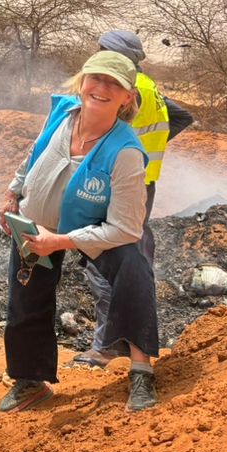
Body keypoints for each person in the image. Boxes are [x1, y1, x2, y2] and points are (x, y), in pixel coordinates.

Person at [0, 51, 160, 413]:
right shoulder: (62, 115)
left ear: (127, 98)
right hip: (39, 225)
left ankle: (141, 370)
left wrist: (61, 241)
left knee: (133, 269)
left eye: (113, 83)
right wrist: (12, 193)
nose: (101, 87)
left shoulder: (126, 152)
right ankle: (30, 381)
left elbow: (126, 227)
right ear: (81, 82)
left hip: (98, 229)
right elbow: (33, 155)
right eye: (95, 78)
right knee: (25, 300)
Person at [76, 30, 194, 367]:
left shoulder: (124, 90)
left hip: (117, 186)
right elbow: (183, 116)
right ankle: (130, 341)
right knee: (135, 263)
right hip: (145, 184)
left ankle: (109, 345)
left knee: (103, 262)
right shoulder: (148, 86)